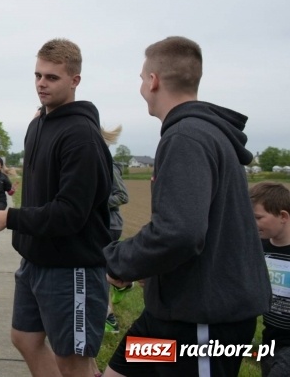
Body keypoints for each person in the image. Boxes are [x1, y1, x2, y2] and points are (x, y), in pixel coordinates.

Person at [102, 37, 271, 377]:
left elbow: (180, 233)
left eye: (140, 78)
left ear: (153, 81)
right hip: (168, 317)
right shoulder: (198, 134)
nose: (141, 86)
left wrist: (116, 260)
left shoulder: (186, 138)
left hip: (202, 322)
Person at [0, 38, 112, 377]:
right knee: (24, 338)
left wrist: (9, 217)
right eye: (38, 75)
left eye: (51, 77)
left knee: (73, 360)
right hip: (35, 259)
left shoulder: (81, 134)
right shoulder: (37, 125)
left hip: (72, 265)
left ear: (74, 80)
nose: (41, 83)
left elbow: (70, 213)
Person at [251, 182, 290, 377]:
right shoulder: (258, 248)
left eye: (258, 217)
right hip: (271, 338)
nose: (252, 223)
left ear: (283, 217)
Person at [98, 126, 130, 335]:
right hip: (99, 224)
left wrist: (95, 203)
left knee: (96, 273)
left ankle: (109, 319)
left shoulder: (108, 163)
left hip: (110, 225)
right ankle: (121, 281)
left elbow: (122, 195)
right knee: (99, 271)